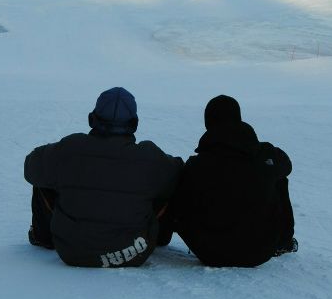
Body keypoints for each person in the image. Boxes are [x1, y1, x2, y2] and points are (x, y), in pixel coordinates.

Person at [24, 87, 182, 268]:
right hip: (133, 252)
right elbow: (178, 173)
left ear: (92, 119)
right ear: (134, 123)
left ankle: (43, 237)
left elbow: (30, 168)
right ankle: (159, 237)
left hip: (72, 251)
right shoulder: (149, 157)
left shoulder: (70, 149)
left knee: (45, 172)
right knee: (167, 184)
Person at [171, 95, 297, 267]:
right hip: (259, 251)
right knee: (278, 177)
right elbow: (287, 166)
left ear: (208, 123)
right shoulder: (265, 154)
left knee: (183, 183)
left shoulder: (196, 165)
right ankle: (283, 241)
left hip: (209, 252)